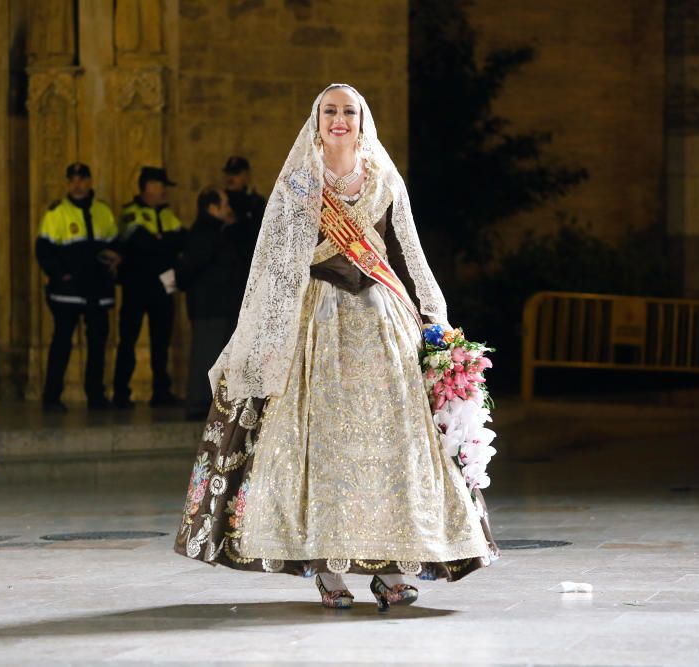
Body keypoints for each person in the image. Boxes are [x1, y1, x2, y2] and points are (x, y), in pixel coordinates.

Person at [174, 84, 499, 609]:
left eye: (349, 111)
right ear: (316, 121)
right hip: (317, 323)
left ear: (362, 120)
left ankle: (392, 565)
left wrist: (438, 321)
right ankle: (327, 570)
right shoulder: (298, 184)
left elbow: (410, 254)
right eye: (330, 112)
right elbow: (272, 269)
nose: (339, 120)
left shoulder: (384, 178)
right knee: (322, 446)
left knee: (392, 445)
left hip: (381, 321)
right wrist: (256, 338)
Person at [36, 162, 121, 412]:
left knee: (97, 344)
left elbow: (115, 244)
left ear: (90, 181)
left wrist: (114, 258)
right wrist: (61, 275)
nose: (77, 183)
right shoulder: (56, 213)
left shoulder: (103, 211)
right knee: (61, 343)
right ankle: (52, 397)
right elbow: (44, 251)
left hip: (97, 290)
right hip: (68, 293)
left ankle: (96, 395)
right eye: (72, 179)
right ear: (67, 182)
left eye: (82, 178)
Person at [113, 166, 186, 409]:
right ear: (149, 186)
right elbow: (139, 245)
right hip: (136, 287)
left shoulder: (168, 216)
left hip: (162, 289)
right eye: (161, 185)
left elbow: (180, 242)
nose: (164, 190)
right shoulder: (130, 213)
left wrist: (159, 243)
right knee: (128, 340)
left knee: (161, 341)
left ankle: (161, 391)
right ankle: (121, 392)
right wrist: (162, 244)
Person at [175, 187, 247, 421]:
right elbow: (187, 271)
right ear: (212, 208)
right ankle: (199, 405)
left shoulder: (218, 233)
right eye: (224, 205)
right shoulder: (205, 235)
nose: (229, 210)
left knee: (212, 356)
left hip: (220, 308)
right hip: (210, 309)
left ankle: (210, 405)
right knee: (205, 357)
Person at [222, 156, 266, 263]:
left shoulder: (254, 202)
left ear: (246, 176)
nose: (230, 178)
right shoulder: (220, 201)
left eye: (236, 174)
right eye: (228, 174)